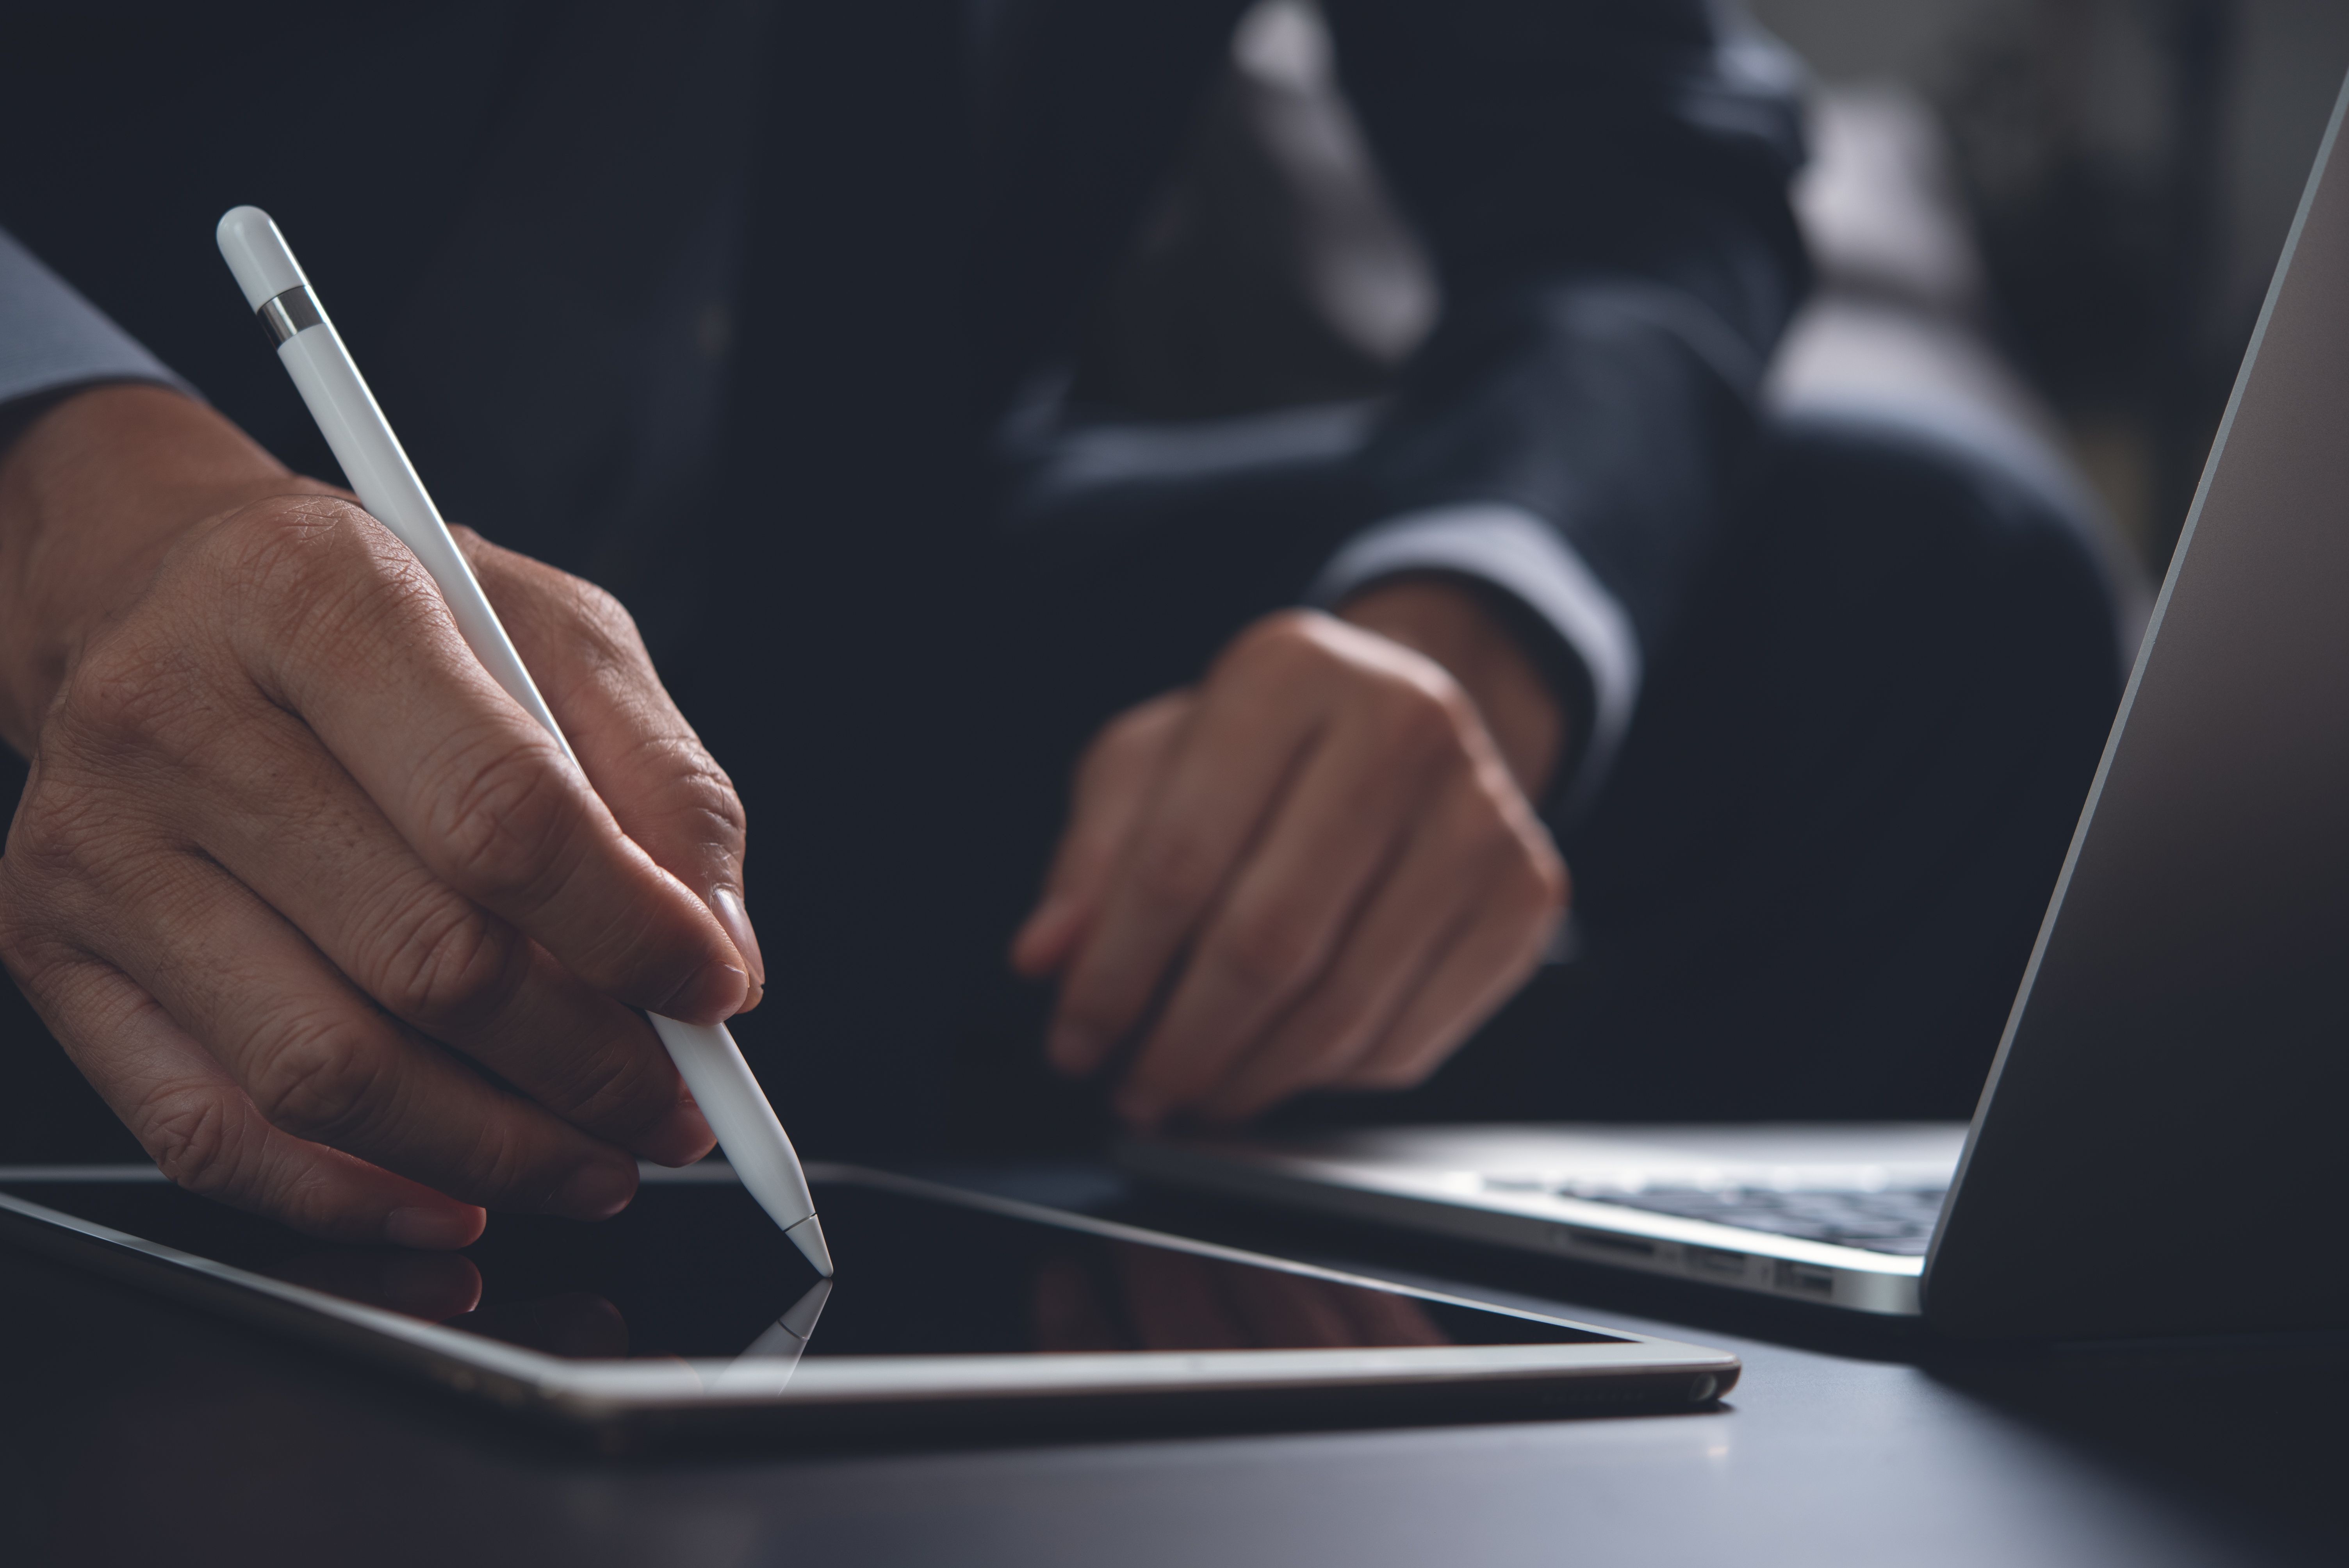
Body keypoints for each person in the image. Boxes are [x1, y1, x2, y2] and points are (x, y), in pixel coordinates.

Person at [0, 2, 2124, 1247]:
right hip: (93, 619)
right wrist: (79, 508)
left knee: (1933, 594)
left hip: (855, 635)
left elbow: (1636, 154)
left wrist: (1461, 630)